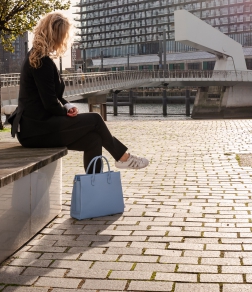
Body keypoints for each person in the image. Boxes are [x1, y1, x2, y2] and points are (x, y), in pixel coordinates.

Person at [9, 12, 149, 172]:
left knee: (93, 139)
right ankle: (123, 157)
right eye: (64, 35)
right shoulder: (41, 61)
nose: (65, 40)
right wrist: (65, 112)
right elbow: (49, 103)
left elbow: (53, 96)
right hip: (35, 131)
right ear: (57, 35)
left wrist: (67, 106)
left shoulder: (36, 56)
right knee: (95, 119)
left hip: (36, 128)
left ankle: (94, 186)